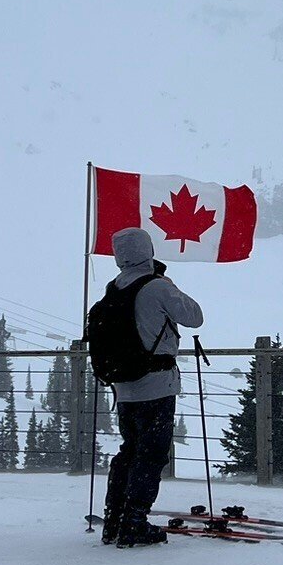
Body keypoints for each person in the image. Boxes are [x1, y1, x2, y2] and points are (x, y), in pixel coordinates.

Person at [100, 226, 204, 546]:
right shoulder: (157, 286)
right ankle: (134, 521)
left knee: (130, 451)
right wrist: (168, 285)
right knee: (152, 454)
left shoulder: (114, 288)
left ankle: (114, 518)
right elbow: (194, 316)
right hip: (156, 386)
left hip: (125, 387)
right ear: (147, 250)